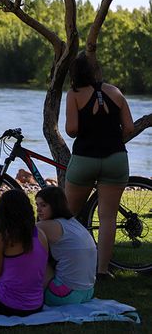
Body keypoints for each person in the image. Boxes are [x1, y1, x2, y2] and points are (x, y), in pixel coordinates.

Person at [64, 51, 134, 278]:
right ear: (96, 70)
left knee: (66, 214)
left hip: (85, 159)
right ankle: (102, 270)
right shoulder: (116, 92)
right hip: (116, 159)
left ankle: (59, 263)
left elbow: (72, 130)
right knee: (107, 217)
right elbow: (129, 128)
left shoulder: (74, 94)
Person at [35, 186, 96, 305]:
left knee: (35, 258)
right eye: (37, 205)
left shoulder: (45, 226)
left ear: (55, 206)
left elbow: (18, 237)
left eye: (43, 205)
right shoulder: (73, 223)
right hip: (87, 292)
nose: (38, 210)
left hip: (64, 296)